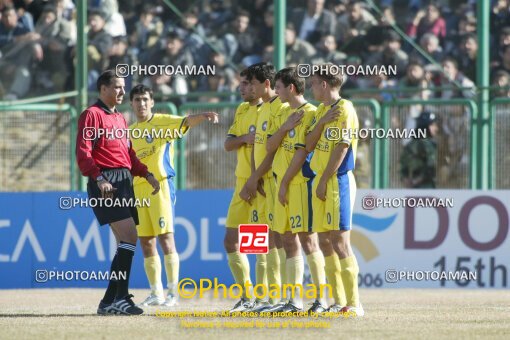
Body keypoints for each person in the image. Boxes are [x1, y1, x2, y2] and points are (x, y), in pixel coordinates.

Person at [75, 70, 160, 315]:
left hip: (124, 183)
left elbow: (129, 155)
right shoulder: (91, 115)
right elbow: (83, 153)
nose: (123, 91)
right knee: (131, 236)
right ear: (103, 89)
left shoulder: (121, 118)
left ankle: (109, 301)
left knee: (126, 241)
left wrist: (146, 174)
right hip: (107, 184)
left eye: (124, 87)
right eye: (118, 87)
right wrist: (99, 178)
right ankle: (121, 297)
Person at [128, 84, 218, 307]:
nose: (141, 104)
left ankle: (172, 292)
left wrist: (204, 115)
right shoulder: (129, 132)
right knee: (146, 242)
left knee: (166, 238)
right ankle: (155, 292)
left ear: (152, 102)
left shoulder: (161, 122)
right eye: (137, 100)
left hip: (160, 186)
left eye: (145, 99)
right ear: (131, 104)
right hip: (138, 190)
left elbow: (185, 122)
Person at [265, 67, 327, 313]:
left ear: (290, 88)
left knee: (308, 240)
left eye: (278, 87)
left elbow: (303, 153)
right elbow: (270, 146)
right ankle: (294, 300)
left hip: (300, 185)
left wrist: (284, 182)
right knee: (288, 239)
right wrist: (283, 127)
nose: (275, 92)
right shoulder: (283, 113)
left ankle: (321, 299)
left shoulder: (310, 113)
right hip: (280, 185)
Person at [305, 63, 364, 317]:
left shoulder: (345, 109)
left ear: (325, 84)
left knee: (340, 242)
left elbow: (342, 148)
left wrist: (324, 179)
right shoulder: (321, 110)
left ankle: (355, 303)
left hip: (337, 180)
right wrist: (320, 123)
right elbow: (307, 144)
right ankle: (339, 302)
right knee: (325, 242)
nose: (312, 87)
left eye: (314, 83)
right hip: (322, 179)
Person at [237, 63, 288, 312]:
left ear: (265, 84)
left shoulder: (281, 107)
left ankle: (279, 297)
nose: (248, 88)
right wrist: (253, 178)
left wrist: (255, 177)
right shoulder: (260, 109)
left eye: (252, 83)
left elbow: (273, 151)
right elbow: (257, 148)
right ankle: (263, 297)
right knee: (258, 243)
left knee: (277, 240)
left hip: (269, 182)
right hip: (256, 183)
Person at [224, 67, 263, 313]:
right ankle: (248, 295)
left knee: (259, 246)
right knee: (231, 241)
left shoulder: (269, 110)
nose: (242, 87)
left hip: (258, 186)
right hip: (241, 184)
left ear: (259, 86)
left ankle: (263, 299)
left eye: (247, 83)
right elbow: (228, 144)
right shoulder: (241, 109)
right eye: (241, 83)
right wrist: (244, 140)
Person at [400, 111, 438, 188]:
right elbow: (430, 168)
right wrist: (418, 180)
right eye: (433, 125)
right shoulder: (428, 144)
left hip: (412, 186)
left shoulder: (410, 144)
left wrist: (406, 178)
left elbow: (403, 165)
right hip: (426, 186)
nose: (436, 128)